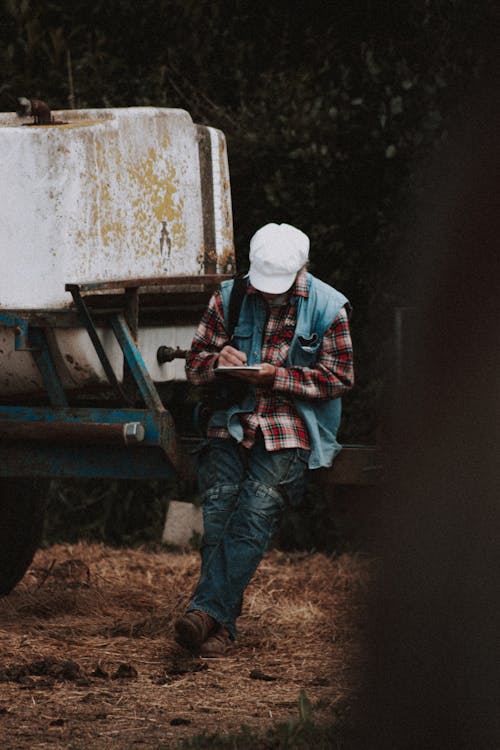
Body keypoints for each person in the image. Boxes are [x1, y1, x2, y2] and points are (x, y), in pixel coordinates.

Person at [174, 222, 354, 657]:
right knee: (219, 513)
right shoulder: (229, 296)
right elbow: (194, 365)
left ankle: (204, 615)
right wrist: (217, 361)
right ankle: (218, 628)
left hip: (291, 425)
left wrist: (280, 377)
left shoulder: (330, 308)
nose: (271, 294)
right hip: (230, 421)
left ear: (302, 269)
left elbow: (339, 378)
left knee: (255, 509)